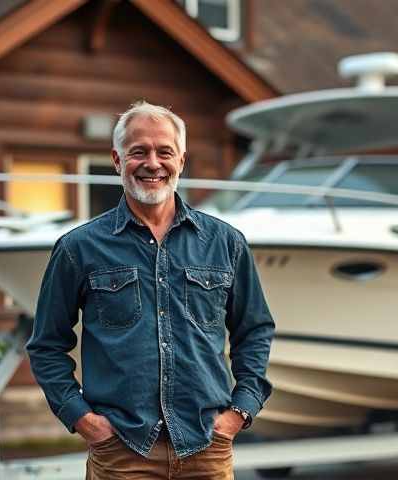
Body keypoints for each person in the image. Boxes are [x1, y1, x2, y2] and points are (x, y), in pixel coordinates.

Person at [26, 100, 275, 479]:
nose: (153, 163)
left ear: (182, 160)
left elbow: (254, 330)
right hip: (121, 453)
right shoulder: (79, 248)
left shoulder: (225, 243)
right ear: (117, 160)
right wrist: (83, 419)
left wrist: (240, 410)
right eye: (138, 152)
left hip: (207, 448)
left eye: (165, 152)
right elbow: (45, 345)